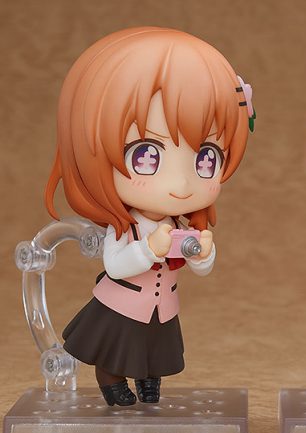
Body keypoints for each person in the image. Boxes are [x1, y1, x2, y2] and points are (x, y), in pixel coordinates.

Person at [44, 27, 254, 406]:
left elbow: (201, 268)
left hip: (162, 306)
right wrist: (148, 250)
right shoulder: (126, 226)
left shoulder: (179, 225)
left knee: (154, 349)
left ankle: (149, 380)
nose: (181, 183)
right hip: (121, 304)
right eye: (146, 156)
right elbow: (115, 265)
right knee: (117, 347)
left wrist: (203, 254)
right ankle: (112, 383)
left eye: (206, 158)